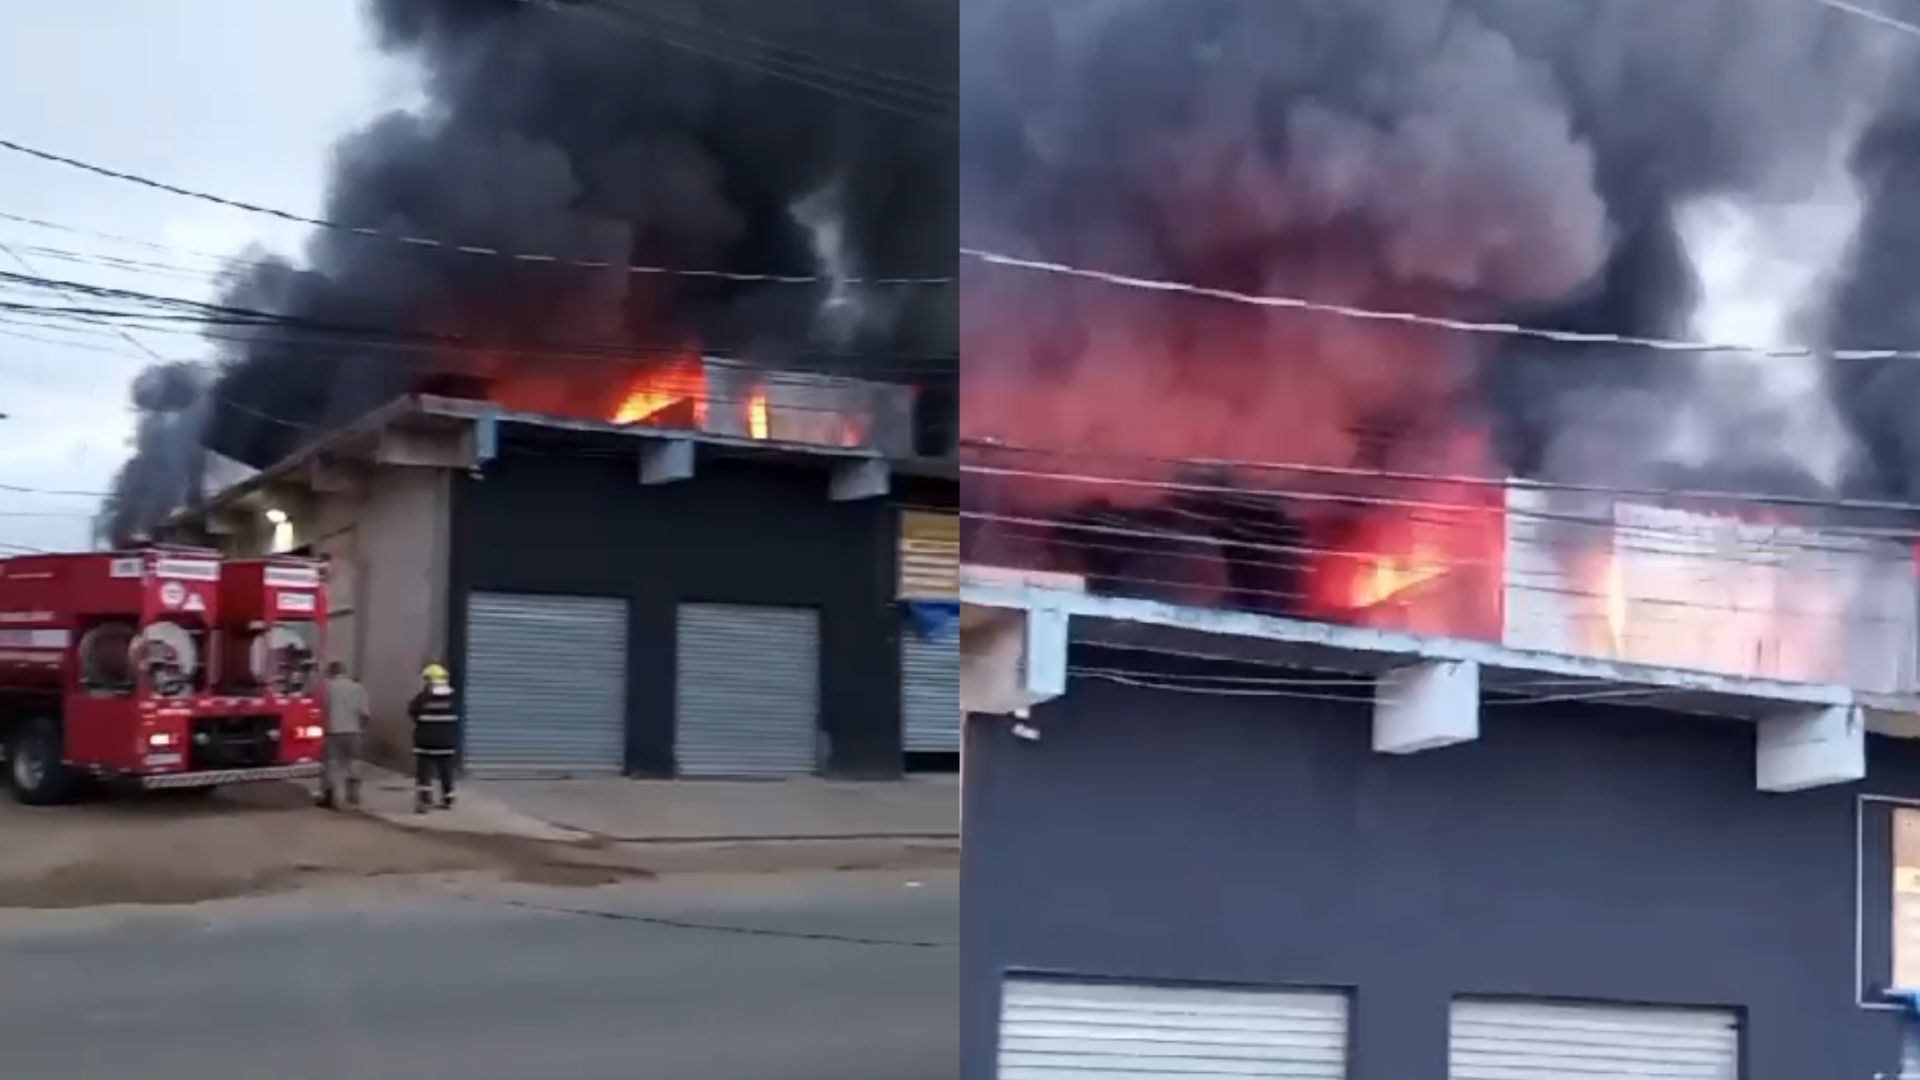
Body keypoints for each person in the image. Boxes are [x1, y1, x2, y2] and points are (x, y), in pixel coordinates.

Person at [408, 662, 460, 813]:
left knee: (424, 772)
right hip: (447, 742)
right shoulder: (453, 697)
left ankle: (425, 800)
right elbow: (456, 716)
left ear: (429, 679)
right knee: (446, 771)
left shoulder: (423, 698)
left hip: (426, 742)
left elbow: (413, 712)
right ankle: (448, 798)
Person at [317, 661, 369, 809]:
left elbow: (322, 710)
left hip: (333, 732)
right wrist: (361, 731)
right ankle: (353, 795)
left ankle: (330, 797)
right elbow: (365, 714)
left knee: (331, 766)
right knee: (354, 763)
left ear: (331, 672)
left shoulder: (327, 688)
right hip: (354, 732)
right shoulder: (358, 687)